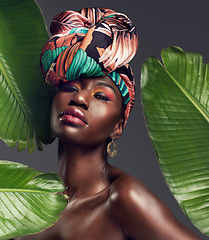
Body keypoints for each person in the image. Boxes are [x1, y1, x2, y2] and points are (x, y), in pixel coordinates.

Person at [15, 7, 201, 240]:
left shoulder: (124, 197)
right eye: (70, 88)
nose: (79, 98)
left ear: (118, 126)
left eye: (101, 96)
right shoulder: (24, 199)